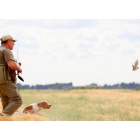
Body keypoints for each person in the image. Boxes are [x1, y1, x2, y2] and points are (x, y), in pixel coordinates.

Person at [0, 34, 23, 116]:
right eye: (13, 42)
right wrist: (19, 68)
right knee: (17, 100)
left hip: (1, 83)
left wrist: (14, 62)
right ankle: (1, 118)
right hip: (5, 81)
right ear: (9, 41)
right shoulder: (6, 51)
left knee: (6, 104)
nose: (14, 44)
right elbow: (11, 65)